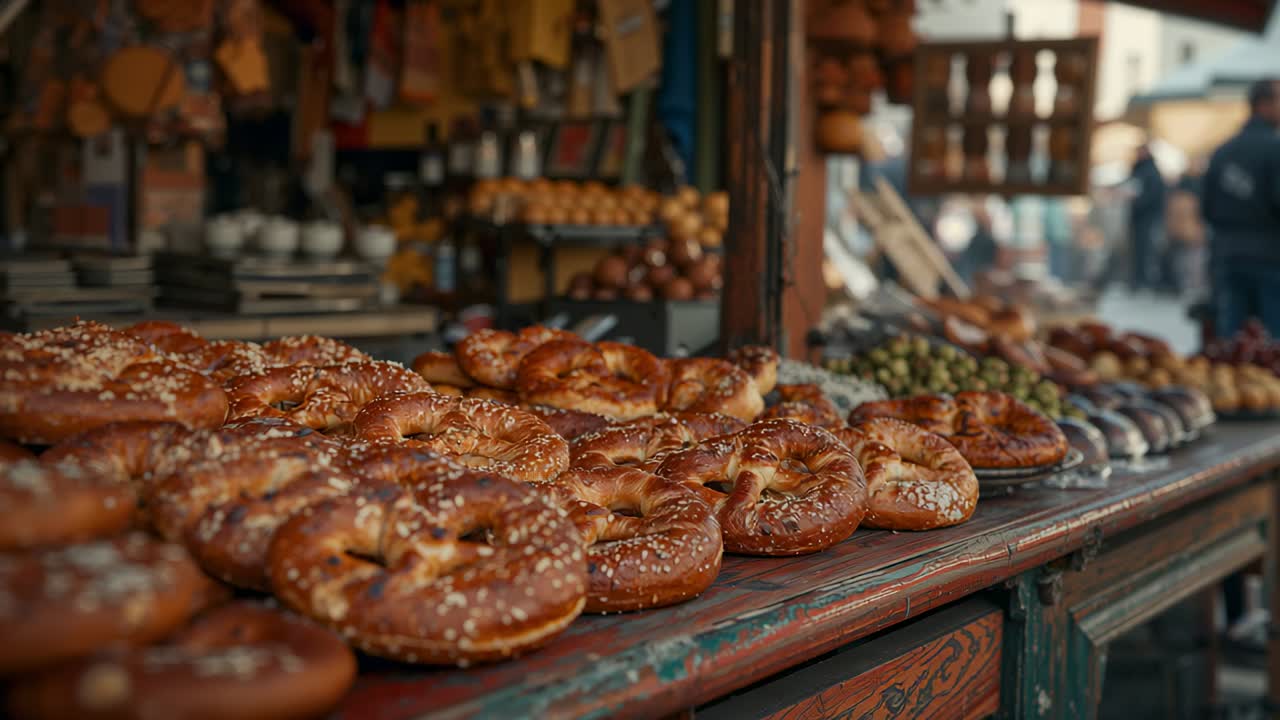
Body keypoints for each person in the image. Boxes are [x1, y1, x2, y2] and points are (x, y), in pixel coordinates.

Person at [1202, 77, 1280, 338]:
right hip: (1269, 257)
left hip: (1228, 254)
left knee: (1232, 342)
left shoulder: (1222, 151)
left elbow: (1207, 209)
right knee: (1272, 345)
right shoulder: (1274, 149)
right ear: (1264, 104)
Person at [1127, 144, 1167, 293]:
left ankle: (1144, 281)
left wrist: (1137, 200)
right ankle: (1138, 280)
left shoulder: (1150, 171)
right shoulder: (1138, 169)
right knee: (1138, 250)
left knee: (1146, 250)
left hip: (1148, 217)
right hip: (1139, 217)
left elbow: (1153, 195)